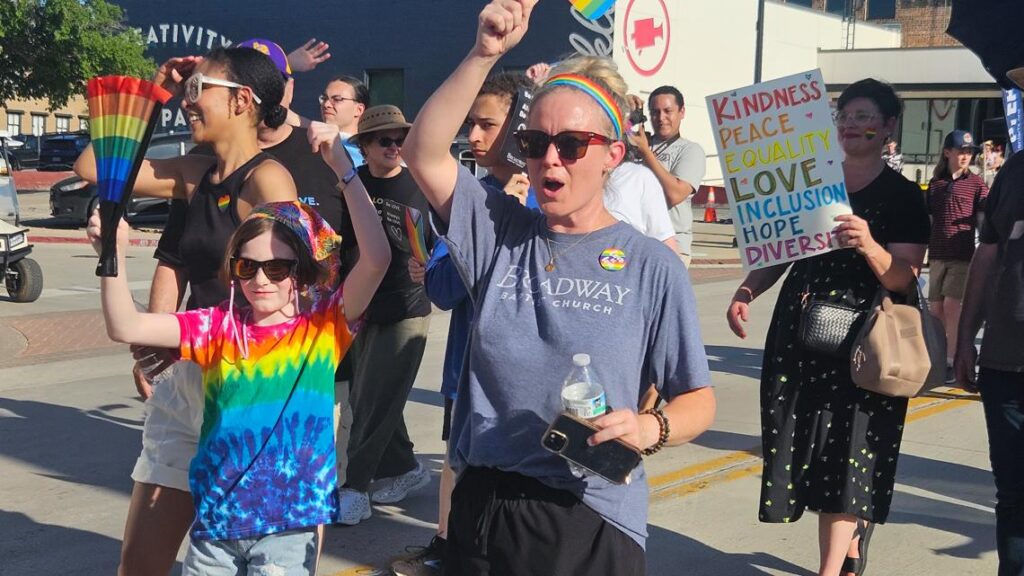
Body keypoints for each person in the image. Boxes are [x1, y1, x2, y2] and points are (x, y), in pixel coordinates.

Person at [403, 2, 716, 574]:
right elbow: (422, 152)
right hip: (484, 505)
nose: (551, 158)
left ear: (612, 155)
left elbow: (697, 398)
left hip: (591, 513)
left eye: (572, 145)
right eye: (535, 142)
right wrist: (484, 54)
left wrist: (650, 427)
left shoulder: (652, 266)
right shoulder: (499, 231)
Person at [86, 121, 390, 572]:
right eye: (248, 267)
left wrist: (345, 172)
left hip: (289, 530)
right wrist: (111, 256)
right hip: (216, 531)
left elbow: (378, 258)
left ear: (300, 272)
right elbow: (125, 325)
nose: (262, 279)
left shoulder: (323, 329)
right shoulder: (217, 327)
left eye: (278, 268)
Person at [74, 47, 300, 576]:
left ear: (242, 101)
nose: (187, 101)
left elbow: (294, 292)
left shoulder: (269, 181)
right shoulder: (197, 173)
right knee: (138, 564)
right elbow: (92, 166)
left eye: (198, 90)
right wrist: (154, 94)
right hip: (185, 388)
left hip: (247, 390)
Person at [726, 78, 930, 576]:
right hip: (801, 333)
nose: (852, 126)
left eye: (865, 117)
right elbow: (780, 249)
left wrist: (868, 244)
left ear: (888, 127)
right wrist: (747, 291)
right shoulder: (811, 182)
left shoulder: (904, 196)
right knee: (808, 448)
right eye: (846, 117)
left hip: (865, 343)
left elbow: (903, 278)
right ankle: (852, 532)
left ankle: (830, 566)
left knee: (847, 452)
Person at [391, 70, 539, 576]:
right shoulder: (464, 195)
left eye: (487, 124)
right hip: (467, 366)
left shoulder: (551, 198)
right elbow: (442, 289)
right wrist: (489, 227)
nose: (473, 135)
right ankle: (445, 542)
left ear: (518, 127)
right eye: (470, 123)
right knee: (458, 460)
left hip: (527, 373)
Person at [337, 104, 435, 525]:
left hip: (406, 307)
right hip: (361, 307)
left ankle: (355, 488)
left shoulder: (420, 185)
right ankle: (406, 468)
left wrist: (430, 265)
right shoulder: (351, 184)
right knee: (377, 394)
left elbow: (445, 239)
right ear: (364, 146)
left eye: (400, 139)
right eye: (384, 140)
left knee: (369, 401)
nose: (394, 146)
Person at [955, 67, 1024, 576]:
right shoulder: (1016, 170)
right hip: (1005, 363)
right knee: (1013, 496)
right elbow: (986, 256)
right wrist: (964, 338)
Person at [927, 129, 988, 384]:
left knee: (952, 306)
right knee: (935, 309)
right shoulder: (935, 184)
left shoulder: (976, 184)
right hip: (937, 254)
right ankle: (937, 356)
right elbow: (930, 219)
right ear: (947, 152)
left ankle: (952, 360)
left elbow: (984, 219)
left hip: (962, 254)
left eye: (969, 152)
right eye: (961, 151)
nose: (966, 156)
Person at [628, 85, 707, 266]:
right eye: (655, 112)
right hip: (635, 241)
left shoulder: (690, 150)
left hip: (671, 244)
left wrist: (646, 154)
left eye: (668, 111)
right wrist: (623, 109)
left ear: (682, 112)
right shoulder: (636, 143)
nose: (661, 118)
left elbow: (675, 194)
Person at [320, 75, 370, 166]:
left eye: (337, 99)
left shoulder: (373, 153)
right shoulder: (312, 145)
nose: (326, 104)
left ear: (359, 110)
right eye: (324, 98)